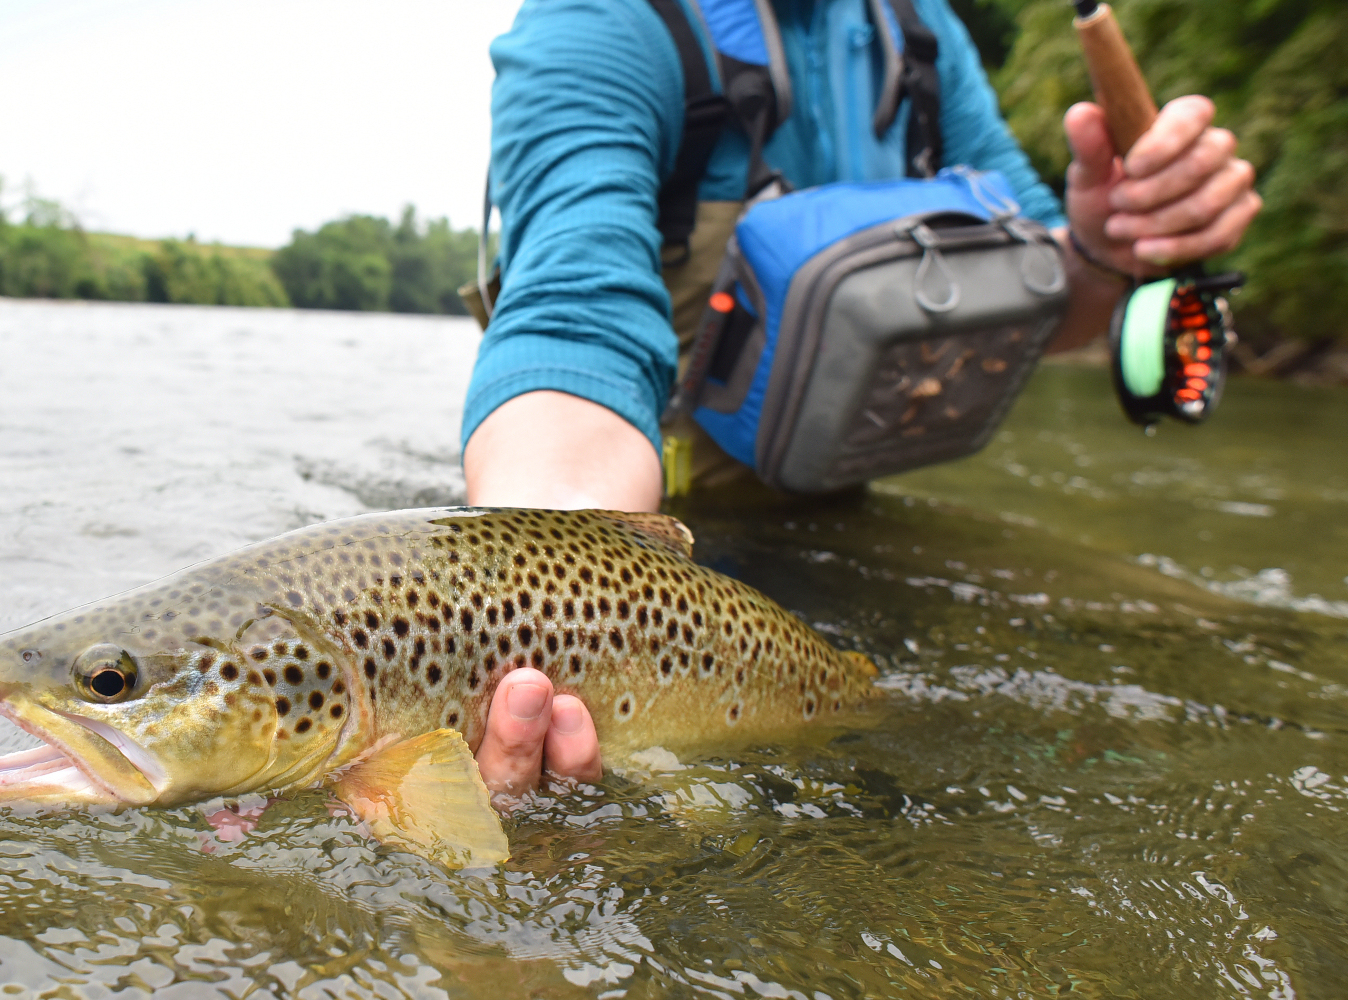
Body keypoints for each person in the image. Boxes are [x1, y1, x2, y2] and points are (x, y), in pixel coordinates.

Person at [459, 0, 1260, 803]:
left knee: (1210, 638)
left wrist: (1097, 248)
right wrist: (541, 605)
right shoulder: (600, 21)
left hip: (837, 514)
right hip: (657, 529)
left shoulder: (918, 30)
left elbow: (1050, 303)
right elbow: (576, 318)